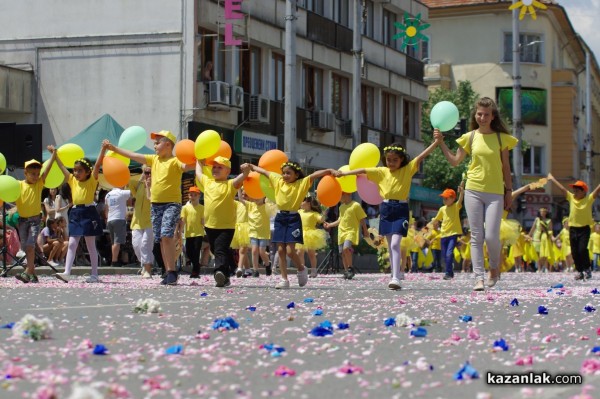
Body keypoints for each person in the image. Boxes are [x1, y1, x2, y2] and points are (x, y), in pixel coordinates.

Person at [434, 97, 518, 291]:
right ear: (475, 114)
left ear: (493, 116)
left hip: (496, 192)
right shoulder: (470, 137)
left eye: (486, 114)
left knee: (491, 236)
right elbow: (455, 161)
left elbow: (506, 167)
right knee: (476, 236)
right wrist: (440, 143)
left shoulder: (501, 138)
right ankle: (478, 277)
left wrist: (508, 191)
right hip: (473, 189)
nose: (482, 117)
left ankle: (494, 268)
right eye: (479, 114)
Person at [335, 139, 440, 290]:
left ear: (402, 159)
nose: (391, 163)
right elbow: (362, 171)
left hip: (401, 208)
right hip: (385, 208)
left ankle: (397, 277)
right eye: (388, 160)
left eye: (395, 160)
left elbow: (422, 155)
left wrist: (436, 142)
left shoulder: (408, 169)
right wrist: (344, 173)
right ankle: (394, 274)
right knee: (391, 246)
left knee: (396, 243)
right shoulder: (381, 171)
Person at [103, 131, 195, 285]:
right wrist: (115, 148)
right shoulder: (153, 160)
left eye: (157, 142)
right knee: (160, 239)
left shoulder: (175, 161)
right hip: (156, 205)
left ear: (168, 145)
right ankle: (168, 271)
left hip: (172, 204)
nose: (154, 145)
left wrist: (203, 159)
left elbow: (189, 165)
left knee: (166, 235)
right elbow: (133, 155)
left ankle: (172, 271)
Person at [242, 161, 337, 289]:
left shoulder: (301, 183)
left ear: (296, 175)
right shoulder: (278, 180)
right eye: (284, 173)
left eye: (289, 173)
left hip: (293, 218)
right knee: (280, 250)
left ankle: (301, 268)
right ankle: (284, 279)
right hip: (280, 217)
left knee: (290, 251)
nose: (285, 175)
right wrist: (251, 166)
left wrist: (330, 170)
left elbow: (315, 175)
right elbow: (264, 171)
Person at [52, 144, 106, 283]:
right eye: (75, 170)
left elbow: (98, 164)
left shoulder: (92, 180)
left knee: (90, 244)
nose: (76, 173)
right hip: (75, 211)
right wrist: (55, 154)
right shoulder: (72, 180)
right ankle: (66, 272)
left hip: (88, 211)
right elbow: (62, 167)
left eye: (79, 170)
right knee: (71, 243)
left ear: (88, 172)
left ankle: (94, 274)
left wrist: (103, 150)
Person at [196, 156, 249, 287]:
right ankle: (226, 274)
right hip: (209, 225)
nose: (216, 169)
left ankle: (219, 272)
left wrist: (246, 171)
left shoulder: (230, 184)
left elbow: (241, 178)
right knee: (217, 250)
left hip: (226, 227)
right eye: (214, 166)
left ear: (227, 171)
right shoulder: (208, 182)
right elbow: (198, 173)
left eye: (220, 167)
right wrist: (198, 162)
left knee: (220, 249)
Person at [547, 175, 600, 280]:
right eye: (574, 190)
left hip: (584, 229)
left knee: (582, 249)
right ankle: (580, 271)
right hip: (573, 229)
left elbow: (597, 190)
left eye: (577, 191)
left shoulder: (588, 199)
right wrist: (553, 179)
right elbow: (562, 189)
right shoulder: (571, 197)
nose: (574, 192)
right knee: (574, 252)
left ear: (584, 191)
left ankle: (587, 269)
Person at [14, 154, 57, 283]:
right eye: (32, 173)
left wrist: (53, 156)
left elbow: (46, 170)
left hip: (34, 220)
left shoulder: (38, 184)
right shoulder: (19, 185)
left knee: (30, 245)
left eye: (37, 173)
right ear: (25, 173)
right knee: (25, 247)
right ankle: (33, 274)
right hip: (22, 220)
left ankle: (27, 271)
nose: (36, 176)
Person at [323, 192, 369, 280]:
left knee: (346, 248)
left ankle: (350, 268)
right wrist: (330, 225)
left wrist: (365, 230)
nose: (339, 199)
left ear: (347, 194)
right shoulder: (341, 207)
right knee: (343, 253)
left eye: (340, 196)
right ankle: (346, 271)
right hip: (341, 232)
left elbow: (362, 218)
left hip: (351, 231)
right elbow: (340, 220)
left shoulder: (355, 205)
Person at [434, 186, 464, 281]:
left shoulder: (456, 206)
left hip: (453, 234)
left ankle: (447, 273)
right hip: (443, 234)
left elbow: (460, 201)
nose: (444, 200)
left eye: (446, 198)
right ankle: (450, 272)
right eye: (443, 198)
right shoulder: (442, 209)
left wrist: (462, 192)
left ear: (453, 199)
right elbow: (436, 219)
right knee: (444, 255)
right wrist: (426, 228)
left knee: (448, 253)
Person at [129, 166, 154, 279]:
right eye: (146, 172)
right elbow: (129, 182)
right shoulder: (139, 184)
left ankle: (148, 269)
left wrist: (149, 185)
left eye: (150, 173)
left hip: (150, 221)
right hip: (137, 220)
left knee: (145, 245)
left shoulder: (157, 185)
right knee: (136, 245)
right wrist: (141, 178)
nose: (148, 175)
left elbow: (150, 198)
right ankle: (144, 264)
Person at [297, 194, 328, 278]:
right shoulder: (299, 211)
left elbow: (321, 220)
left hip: (310, 234)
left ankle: (314, 270)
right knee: (300, 252)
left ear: (309, 203)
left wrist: (324, 211)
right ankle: (302, 269)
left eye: (303, 201)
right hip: (301, 233)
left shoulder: (314, 213)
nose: (301, 203)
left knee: (311, 254)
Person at [180, 186, 204, 278]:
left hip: (199, 233)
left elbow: (203, 221)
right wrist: (180, 231)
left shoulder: (202, 208)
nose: (192, 197)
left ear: (199, 196)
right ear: (188, 196)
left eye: (195, 195)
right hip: (189, 233)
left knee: (196, 251)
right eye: (191, 195)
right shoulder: (185, 208)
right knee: (189, 252)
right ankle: (197, 265)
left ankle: (195, 271)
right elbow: (183, 220)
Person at [244, 194, 272, 277]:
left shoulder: (267, 206)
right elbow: (241, 200)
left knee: (262, 251)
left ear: (263, 197)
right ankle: (255, 270)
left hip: (263, 233)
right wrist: (238, 189)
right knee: (254, 250)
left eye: (258, 196)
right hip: (253, 231)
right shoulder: (250, 205)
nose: (256, 198)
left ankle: (267, 264)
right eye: (255, 196)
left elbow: (274, 202)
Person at [104, 185, 131, 267]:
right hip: (119, 218)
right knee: (117, 241)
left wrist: (107, 219)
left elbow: (106, 209)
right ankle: (114, 261)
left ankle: (114, 259)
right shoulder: (123, 192)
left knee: (113, 242)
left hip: (110, 219)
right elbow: (131, 201)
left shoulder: (108, 194)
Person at [527, 207, 553, 273]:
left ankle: (545, 267)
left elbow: (550, 230)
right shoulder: (537, 219)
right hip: (537, 237)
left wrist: (551, 237)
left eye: (544, 212)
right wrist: (528, 236)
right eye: (541, 212)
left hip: (545, 237)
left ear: (546, 213)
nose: (542, 213)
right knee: (538, 254)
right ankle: (539, 268)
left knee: (545, 253)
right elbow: (533, 228)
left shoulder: (549, 220)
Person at [232, 193, 251, 277]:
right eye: (243, 195)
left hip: (246, 228)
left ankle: (239, 268)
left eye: (246, 195)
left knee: (242, 250)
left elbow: (240, 198)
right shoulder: (237, 203)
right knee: (242, 250)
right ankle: (248, 269)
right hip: (238, 228)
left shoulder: (251, 204)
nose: (243, 196)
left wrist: (239, 188)